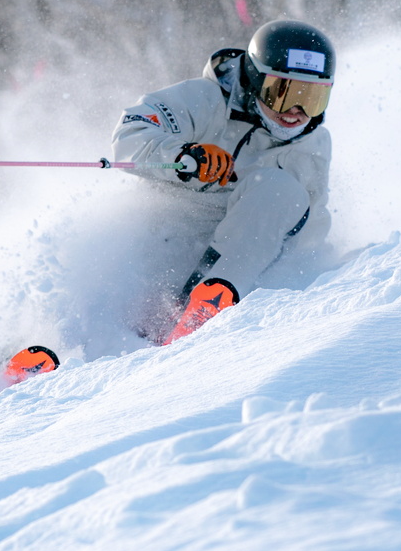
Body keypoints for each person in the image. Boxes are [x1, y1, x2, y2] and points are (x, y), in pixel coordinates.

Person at [111, 18, 337, 344]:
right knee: (106, 285)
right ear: (257, 80)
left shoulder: (313, 146)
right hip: (163, 240)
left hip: (233, 265)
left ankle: (202, 316)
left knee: (280, 190)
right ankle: (47, 350)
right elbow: (129, 136)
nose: (297, 112)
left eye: (313, 98)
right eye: (283, 93)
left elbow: (310, 230)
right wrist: (185, 156)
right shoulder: (204, 100)